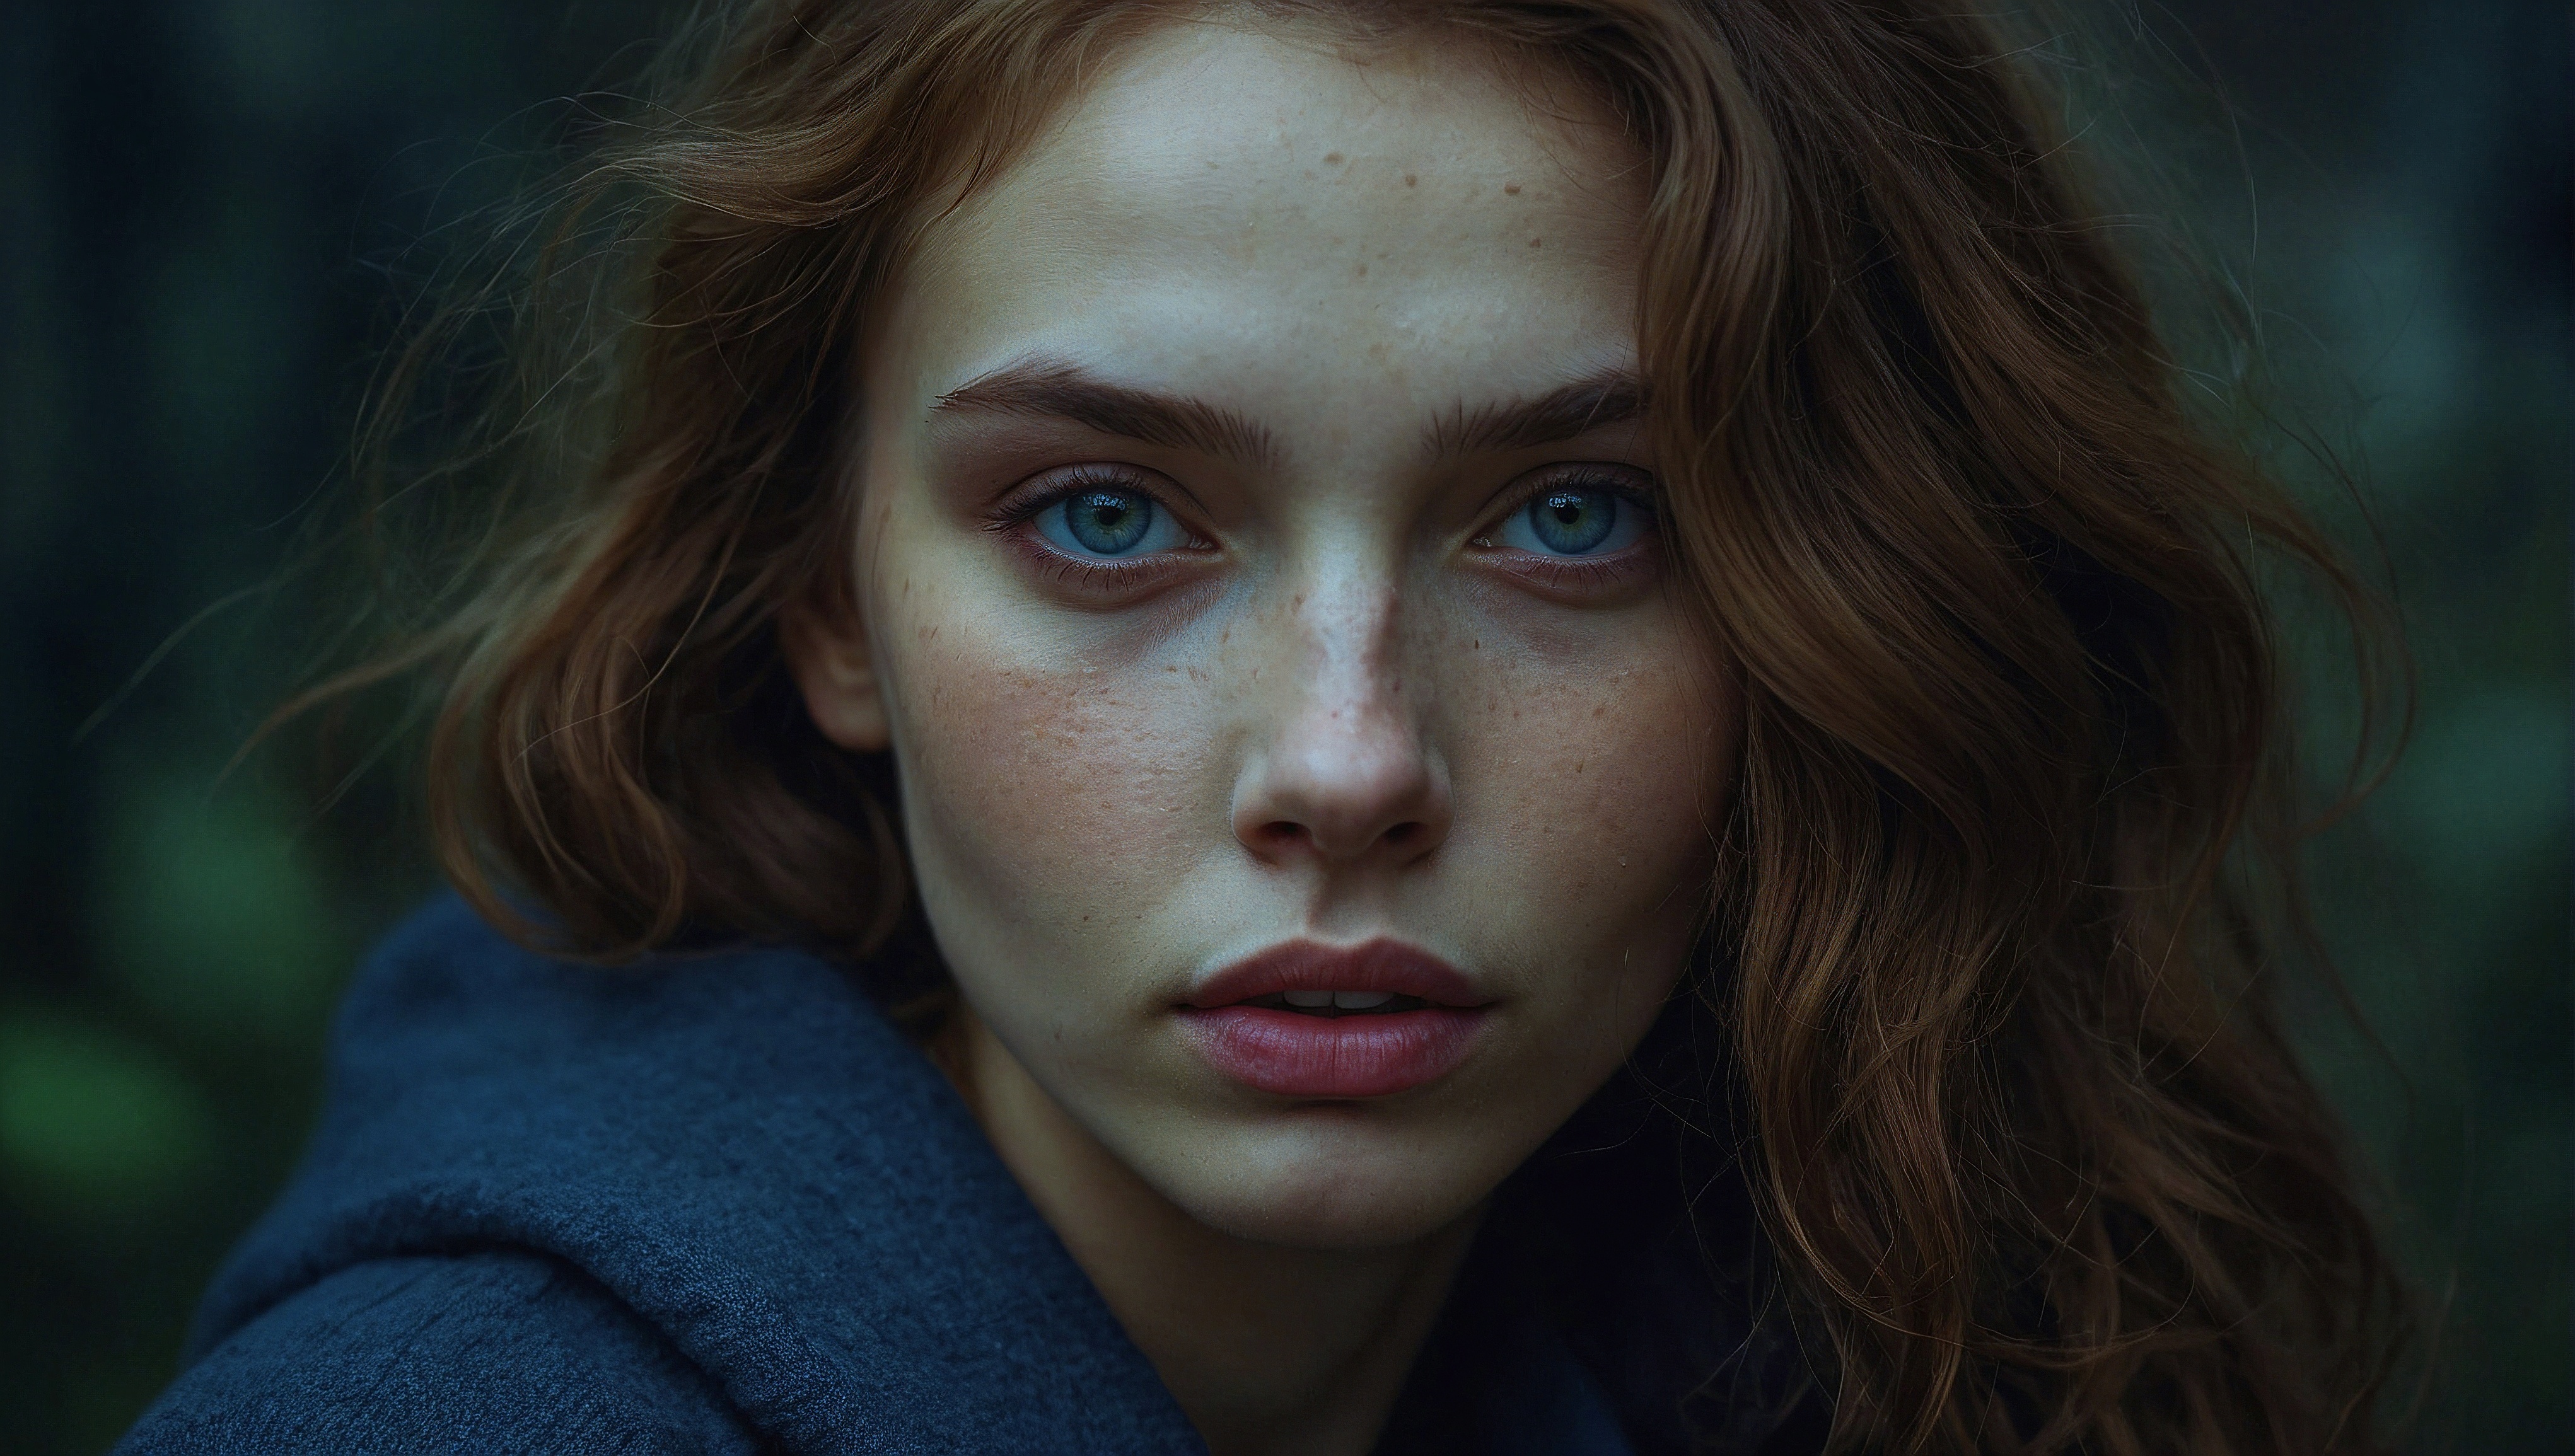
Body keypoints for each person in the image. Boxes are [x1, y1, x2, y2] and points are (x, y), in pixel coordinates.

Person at [116, 2, 2407, 1452]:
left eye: (1578, 520)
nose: (1345, 763)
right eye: (1107, 514)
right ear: (825, 599)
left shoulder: (1881, 1353)